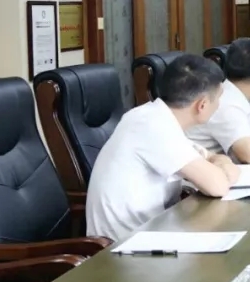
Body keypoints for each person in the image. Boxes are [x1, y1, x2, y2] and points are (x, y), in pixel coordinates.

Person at [86, 55, 240, 242]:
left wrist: (222, 165)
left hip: (154, 231)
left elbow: (213, 158)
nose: (219, 105)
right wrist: (224, 169)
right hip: (125, 246)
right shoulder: (152, 125)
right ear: (202, 105)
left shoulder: (154, 116)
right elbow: (218, 186)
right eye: (218, 99)